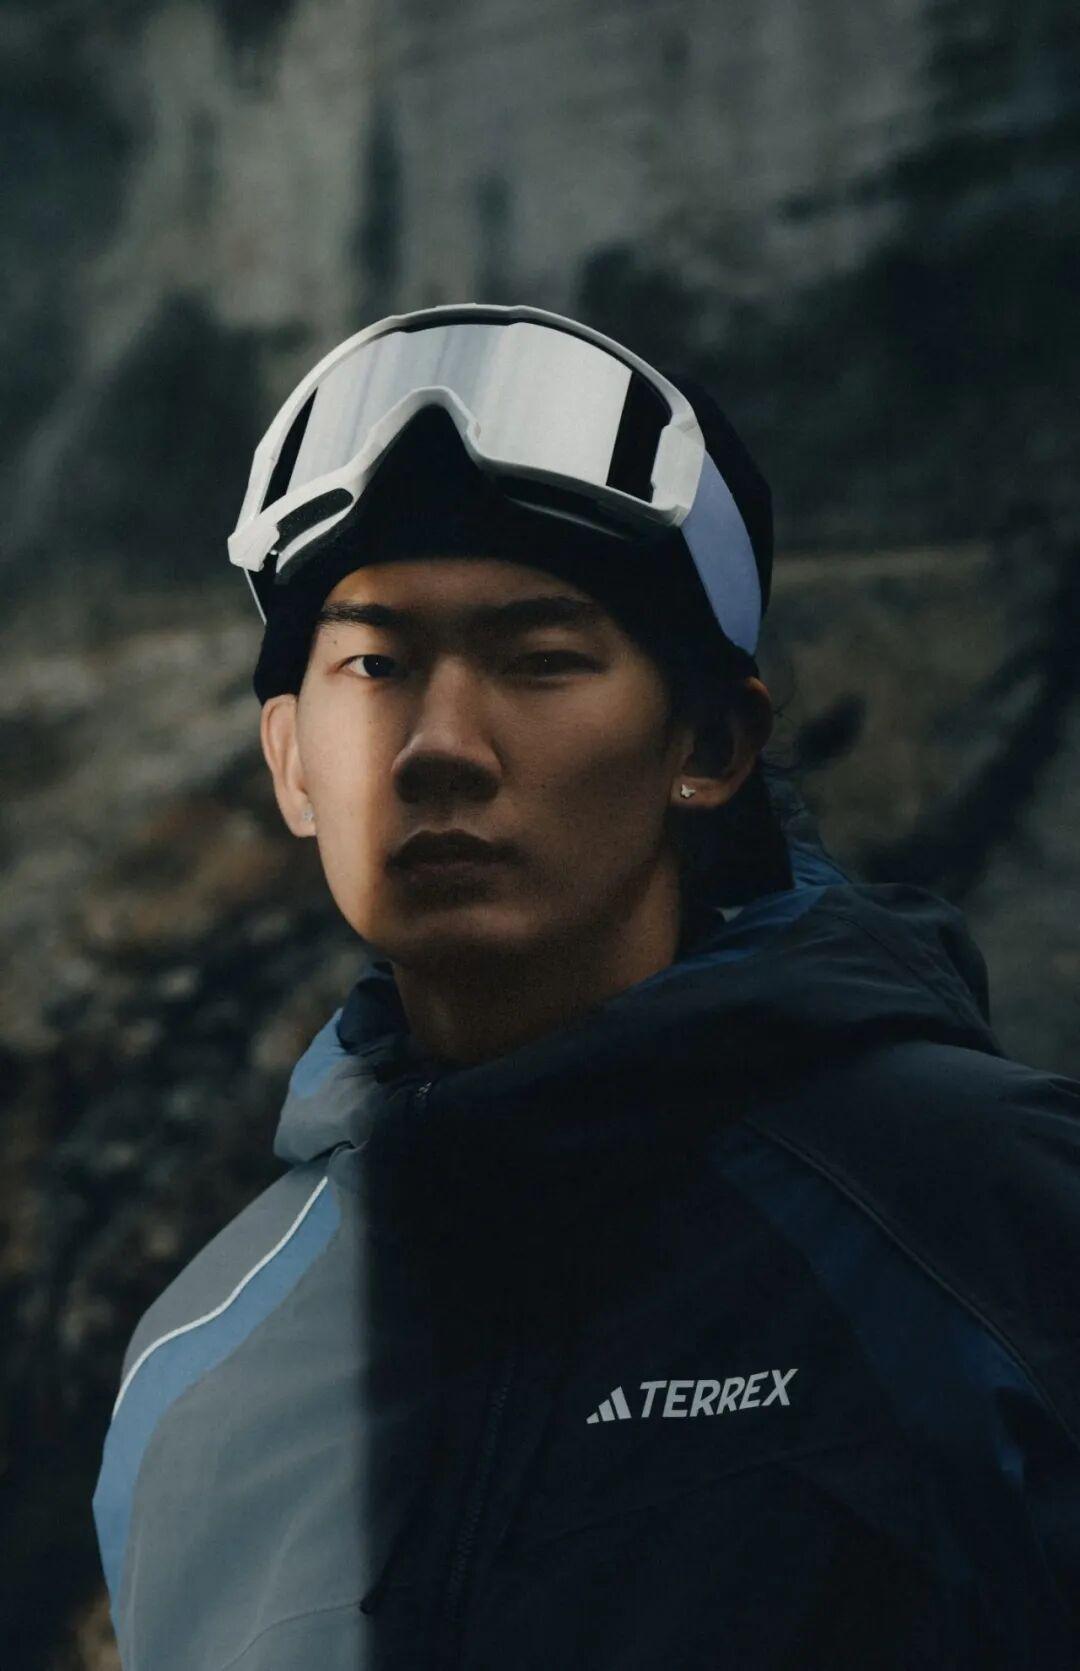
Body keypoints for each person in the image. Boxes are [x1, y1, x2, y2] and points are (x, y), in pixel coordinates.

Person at [92, 304, 1080, 1670]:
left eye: (540, 659)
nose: (439, 745)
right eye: (373, 663)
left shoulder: (983, 1207)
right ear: (291, 761)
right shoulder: (196, 1366)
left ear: (711, 743)